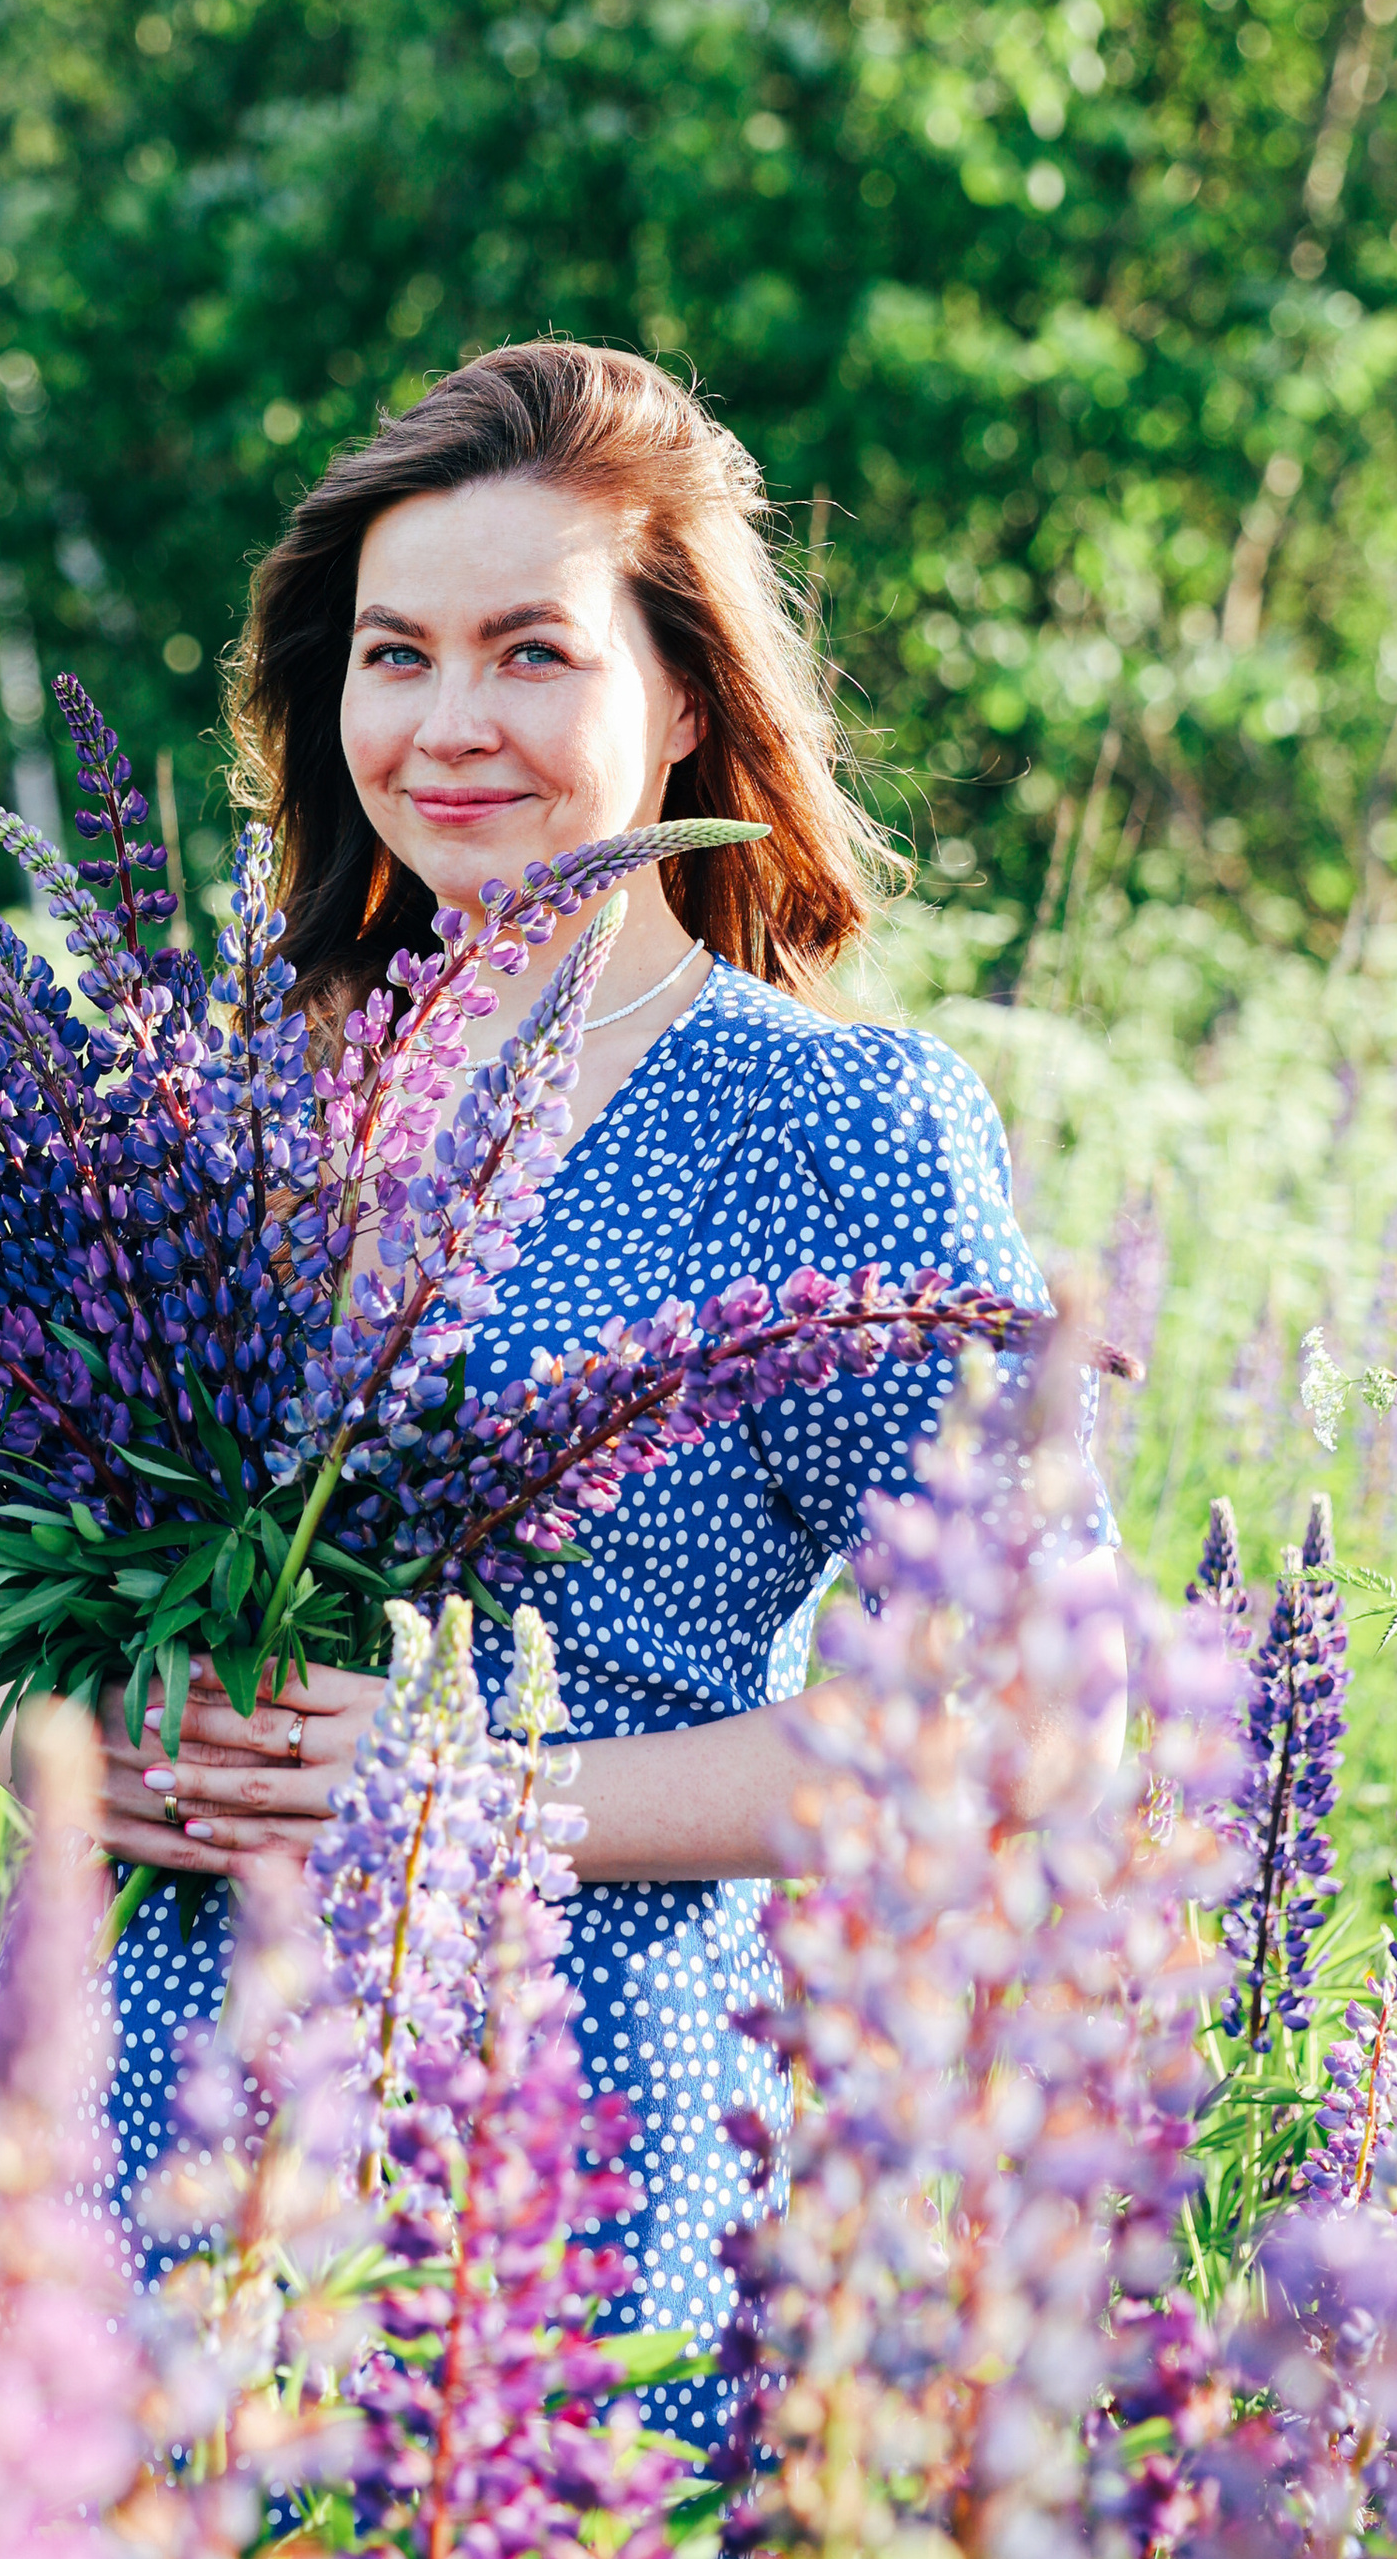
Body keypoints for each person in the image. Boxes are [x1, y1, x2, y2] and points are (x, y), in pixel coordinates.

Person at [95, 339, 1073, 2419]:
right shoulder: (211, 1097)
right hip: (144, 2139)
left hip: (563, 2165)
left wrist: (457, 1800)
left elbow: (1003, 1724)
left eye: (531, 653)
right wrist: (67, 1738)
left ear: (684, 702)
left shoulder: (823, 1122)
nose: (447, 726)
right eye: (392, 656)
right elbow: (42, 1615)